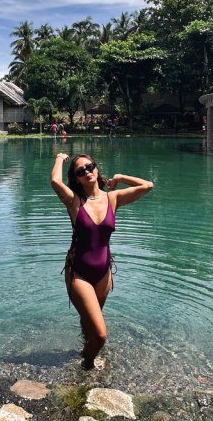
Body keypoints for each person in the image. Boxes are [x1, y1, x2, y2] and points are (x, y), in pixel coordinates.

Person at [51, 152, 153, 370]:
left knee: (90, 326)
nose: (87, 172)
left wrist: (119, 177)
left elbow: (148, 185)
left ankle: (86, 344)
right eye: (80, 171)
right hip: (79, 272)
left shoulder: (112, 198)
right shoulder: (74, 201)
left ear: (97, 169)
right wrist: (60, 158)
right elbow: (55, 182)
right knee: (100, 335)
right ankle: (87, 364)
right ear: (76, 178)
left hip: (103, 273)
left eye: (90, 167)